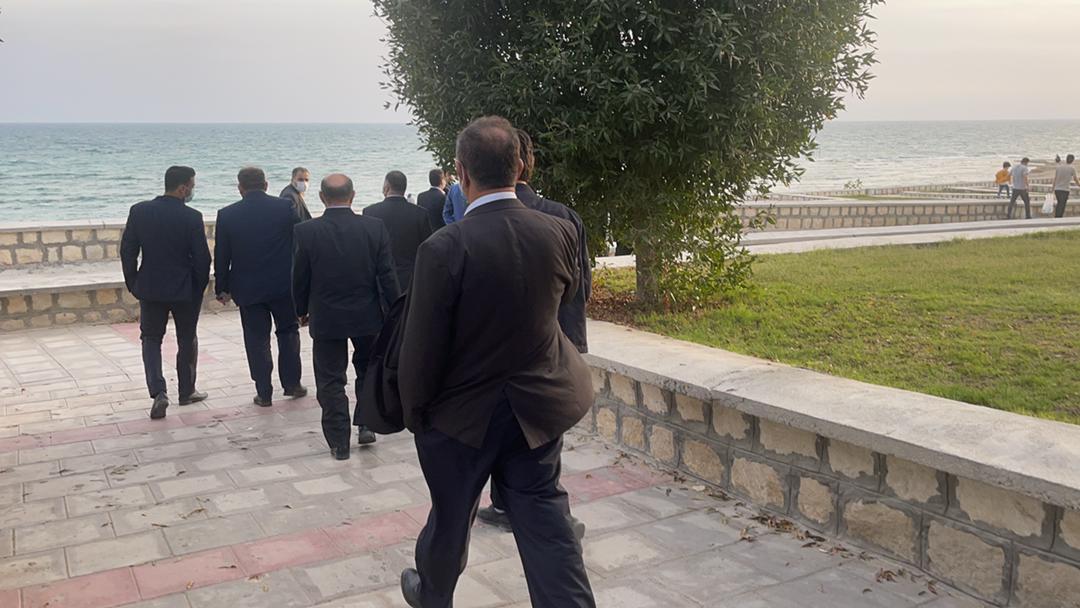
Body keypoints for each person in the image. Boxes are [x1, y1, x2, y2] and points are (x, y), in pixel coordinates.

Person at [398, 116, 595, 608]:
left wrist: (416, 412)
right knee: (546, 519)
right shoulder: (560, 231)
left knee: (450, 517)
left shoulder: (444, 247)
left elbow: (421, 347)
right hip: (538, 407)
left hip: (462, 418)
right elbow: (567, 297)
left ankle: (432, 595)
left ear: (461, 173)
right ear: (520, 166)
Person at [476, 128, 592, 536]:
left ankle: (506, 503)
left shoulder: (478, 220)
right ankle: (545, 509)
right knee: (543, 433)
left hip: (496, 348)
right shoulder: (563, 216)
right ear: (528, 164)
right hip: (553, 341)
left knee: (499, 424)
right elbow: (580, 286)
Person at [292, 174, 401, 459]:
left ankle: (339, 442)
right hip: (368, 315)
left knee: (330, 379)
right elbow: (387, 275)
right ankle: (366, 424)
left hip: (327, 317)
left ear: (321, 197)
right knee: (368, 371)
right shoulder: (374, 228)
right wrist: (396, 311)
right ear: (353, 196)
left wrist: (300, 310)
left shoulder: (306, 232)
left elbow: (299, 277)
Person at [120, 166, 211, 420]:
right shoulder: (192, 217)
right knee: (187, 338)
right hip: (185, 289)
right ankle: (186, 390)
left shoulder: (139, 211)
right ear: (182, 188)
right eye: (192, 186)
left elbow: (127, 251)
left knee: (151, 339)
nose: (192, 190)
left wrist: (133, 282)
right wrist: (198, 287)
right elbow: (202, 259)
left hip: (151, 287)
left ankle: (158, 392)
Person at [214, 167, 307, 407]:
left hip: (248, 287)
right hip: (283, 285)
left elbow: (222, 255)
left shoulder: (227, 214)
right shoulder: (285, 207)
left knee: (256, 339)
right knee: (288, 333)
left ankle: (264, 392)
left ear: (240, 188)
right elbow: (301, 241)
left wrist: (222, 288)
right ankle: (292, 383)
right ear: (266, 185)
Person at [362, 170, 433, 290]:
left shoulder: (370, 212)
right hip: (411, 276)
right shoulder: (420, 213)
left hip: (380, 277)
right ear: (404, 188)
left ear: (387, 187)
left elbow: (367, 248)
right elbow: (427, 248)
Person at [1053, 154, 1079, 218]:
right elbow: (1075, 179)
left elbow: (1055, 178)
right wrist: (1079, 185)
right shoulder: (1072, 168)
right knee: (1062, 204)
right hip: (1065, 189)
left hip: (1057, 189)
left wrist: (1053, 188)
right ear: (1072, 160)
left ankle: (1057, 216)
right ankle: (1059, 217)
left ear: (1066, 159)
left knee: (1059, 203)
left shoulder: (1059, 167)